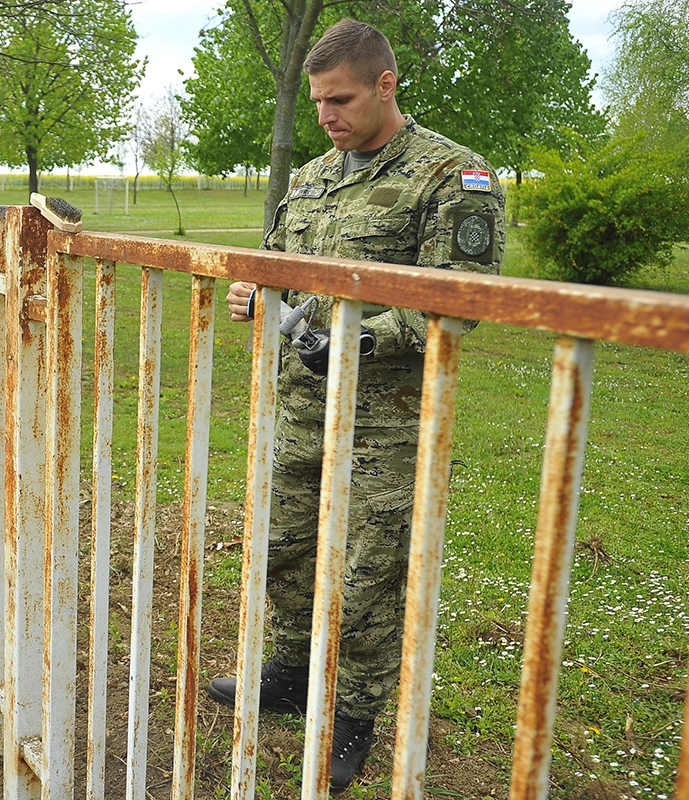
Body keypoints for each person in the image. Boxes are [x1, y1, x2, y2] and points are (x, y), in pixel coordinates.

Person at [206, 19, 505, 792]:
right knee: (284, 548)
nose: (328, 116)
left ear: (385, 85)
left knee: (369, 574)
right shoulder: (311, 177)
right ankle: (294, 674)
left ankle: (354, 714)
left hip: (385, 424)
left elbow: (461, 303)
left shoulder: (453, 176)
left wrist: (353, 342)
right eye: (317, 103)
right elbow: (276, 266)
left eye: (341, 99)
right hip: (300, 411)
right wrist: (253, 291)